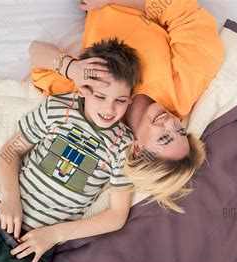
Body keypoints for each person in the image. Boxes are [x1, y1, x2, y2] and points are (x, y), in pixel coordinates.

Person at [0, 38, 142, 262]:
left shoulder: (123, 144)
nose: (109, 109)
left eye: (120, 100)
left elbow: (117, 216)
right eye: (100, 96)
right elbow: (10, 151)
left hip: (36, 246)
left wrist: (54, 235)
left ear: (130, 99)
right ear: (83, 89)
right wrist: (10, 197)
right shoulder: (58, 108)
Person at [28, 0, 225, 212]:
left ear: (138, 149)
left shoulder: (99, 105)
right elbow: (182, 11)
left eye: (164, 137)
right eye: (179, 130)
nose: (169, 122)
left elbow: (36, 53)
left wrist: (70, 68)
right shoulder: (183, 90)